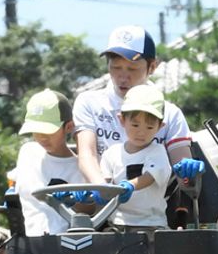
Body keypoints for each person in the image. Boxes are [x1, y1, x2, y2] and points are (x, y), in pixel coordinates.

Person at [72, 25, 193, 186]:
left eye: (132, 68)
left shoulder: (171, 114)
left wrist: (187, 171)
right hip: (101, 204)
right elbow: (87, 155)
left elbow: (184, 175)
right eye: (116, 67)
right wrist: (102, 188)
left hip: (153, 208)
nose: (122, 77)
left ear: (152, 67)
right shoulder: (89, 103)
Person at [99, 82, 172, 229]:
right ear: (122, 120)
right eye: (135, 125)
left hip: (151, 225)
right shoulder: (111, 154)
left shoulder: (157, 151)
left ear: (160, 127)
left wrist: (130, 186)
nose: (141, 132)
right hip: (116, 224)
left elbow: (149, 177)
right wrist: (94, 193)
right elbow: (105, 184)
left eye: (150, 127)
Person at [12, 88, 84, 235]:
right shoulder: (27, 152)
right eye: (36, 131)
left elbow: (89, 211)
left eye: (48, 131)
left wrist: (74, 201)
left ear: (68, 126)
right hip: (27, 243)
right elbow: (14, 183)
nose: (42, 137)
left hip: (64, 246)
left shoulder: (79, 167)